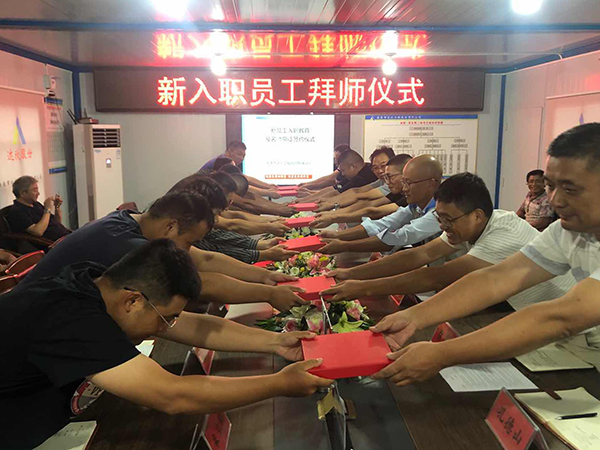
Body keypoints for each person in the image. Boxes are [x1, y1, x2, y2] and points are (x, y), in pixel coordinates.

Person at [0, 239, 332, 450]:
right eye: (164, 317)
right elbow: (172, 395)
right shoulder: (70, 318)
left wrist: (276, 342)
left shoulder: (100, 283)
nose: (167, 327)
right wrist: (278, 384)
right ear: (133, 300)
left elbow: (194, 325)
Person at [370, 123, 600, 386]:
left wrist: (441, 354)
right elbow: (496, 279)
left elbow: (562, 317)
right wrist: (413, 317)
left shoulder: (522, 229)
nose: (555, 201)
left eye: (570, 189)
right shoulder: (567, 231)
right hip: (574, 346)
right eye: (551, 186)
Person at [322, 172, 575, 309]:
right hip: (528, 310)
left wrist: (361, 287)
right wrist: (351, 274)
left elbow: (436, 277)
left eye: (447, 220)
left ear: (477, 215)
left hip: (566, 323)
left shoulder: (503, 234)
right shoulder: (469, 223)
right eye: (439, 218)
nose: (443, 226)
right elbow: (419, 255)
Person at [23, 190, 306, 312]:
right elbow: (202, 282)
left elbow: (205, 259)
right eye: (188, 241)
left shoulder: (132, 222)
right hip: (35, 319)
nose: (188, 250)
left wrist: (266, 278)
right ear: (170, 226)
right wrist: (268, 293)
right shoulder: (128, 244)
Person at [319, 155, 442, 254]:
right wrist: (337, 235)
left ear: (431, 183)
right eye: (375, 167)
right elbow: (382, 223)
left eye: (409, 183)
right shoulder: (414, 206)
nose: (404, 188)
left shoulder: (439, 211)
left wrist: (344, 245)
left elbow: (401, 236)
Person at [310, 154, 411, 229]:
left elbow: (372, 210)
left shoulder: (365, 176)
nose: (380, 171)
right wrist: (332, 210)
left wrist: (333, 216)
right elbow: (364, 198)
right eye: (375, 167)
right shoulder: (388, 183)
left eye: (383, 165)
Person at [7, 176, 70, 241]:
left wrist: (57, 207)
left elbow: (57, 222)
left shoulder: (36, 204)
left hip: (65, 237)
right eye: (35, 190)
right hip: (54, 243)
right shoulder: (17, 212)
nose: (38, 193)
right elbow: (38, 231)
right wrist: (47, 209)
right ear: (23, 193)